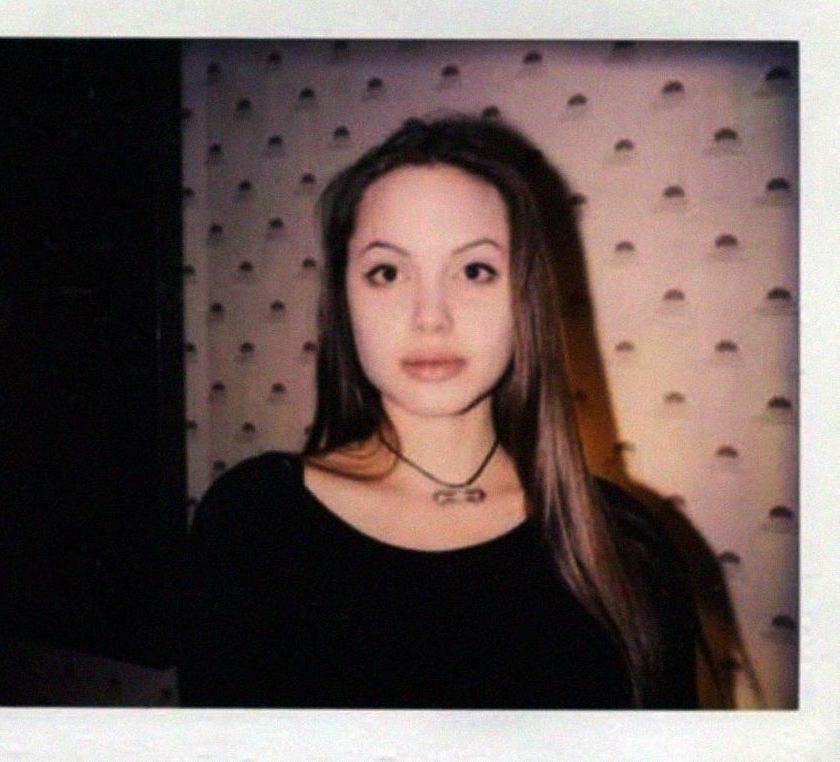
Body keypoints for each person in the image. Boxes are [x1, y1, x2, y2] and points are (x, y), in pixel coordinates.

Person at [178, 114, 699, 708]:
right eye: (387, 272)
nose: (430, 317)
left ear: (523, 299)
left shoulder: (626, 545)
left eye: (475, 270)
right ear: (344, 298)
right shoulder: (253, 526)